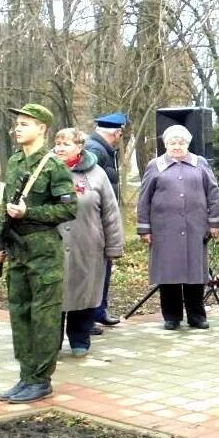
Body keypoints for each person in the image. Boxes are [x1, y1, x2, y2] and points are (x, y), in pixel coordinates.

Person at [0, 104, 77, 404]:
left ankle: (41, 379)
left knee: (43, 315)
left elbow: (69, 208)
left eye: (25, 124)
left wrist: (32, 212)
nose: (18, 128)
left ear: (42, 128)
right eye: (17, 123)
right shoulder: (15, 161)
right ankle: (26, 375)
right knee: (19, 313)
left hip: (43, 251)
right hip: (17, 249)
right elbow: (5, 203)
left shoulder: (54, 165)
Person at [136, 124, 219, 330]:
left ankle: (197, 316)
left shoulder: (200, 163)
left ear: (188, 144)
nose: (177, 146)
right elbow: (144, 199)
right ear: (165, 144)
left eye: (181, 142)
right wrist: (144, 228)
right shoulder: (155, 166)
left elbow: (213, 193)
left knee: (195, 272)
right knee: (169, 273)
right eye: (172, 143)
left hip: (195, 227)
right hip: (164, 229)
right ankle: (171, 316)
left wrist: (215, 222)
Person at [53, 128, 124, 357]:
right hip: (52, 244)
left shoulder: (96, 173)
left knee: (84, 292)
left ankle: (79, 338)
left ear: (80, 147)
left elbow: (110, 212)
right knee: (53, 294)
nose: (61, 148)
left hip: (88, 244)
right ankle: (50, 342)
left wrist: (114, 245)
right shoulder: (46, 170)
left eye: (67, 144)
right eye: (58, 143)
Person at [84, 111, 127, 331]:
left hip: (102, 219)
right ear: (117, 133)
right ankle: (88, 317)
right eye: (121, 133)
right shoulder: (95, 150)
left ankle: (99, 311)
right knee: (95, 271)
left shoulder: (102, 149)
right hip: (95, 220)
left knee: (104, 267)